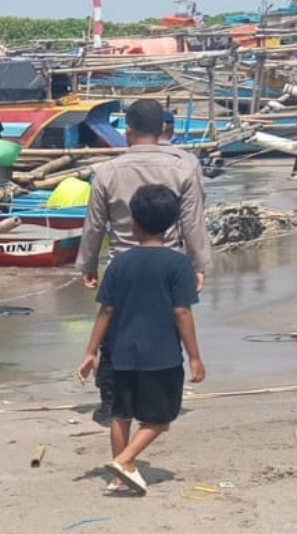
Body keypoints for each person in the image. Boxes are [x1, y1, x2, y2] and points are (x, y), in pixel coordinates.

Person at [76, 98, 211, 426]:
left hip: (123, 261)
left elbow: (94, 224)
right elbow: (193, 222)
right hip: (170, 261)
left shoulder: (107, 171)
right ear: (163, 128)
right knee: (167, 326)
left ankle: (112, 398)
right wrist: (199, 264)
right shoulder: (184, 167)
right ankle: (157, 397)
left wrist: (88, 264)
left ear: (128, 130)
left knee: (114, 326)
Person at [77, 184, 206, 495]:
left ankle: (120, 475)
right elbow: (182, 313)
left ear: (133, 221)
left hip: (119, 352)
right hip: (161, 355)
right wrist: (195, 357)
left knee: (121, 415)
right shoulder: (178, 264)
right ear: (174, 224)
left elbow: (106, 310)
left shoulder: (120, 262)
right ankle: (125, 460)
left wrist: (91, 351)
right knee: (161, 418)